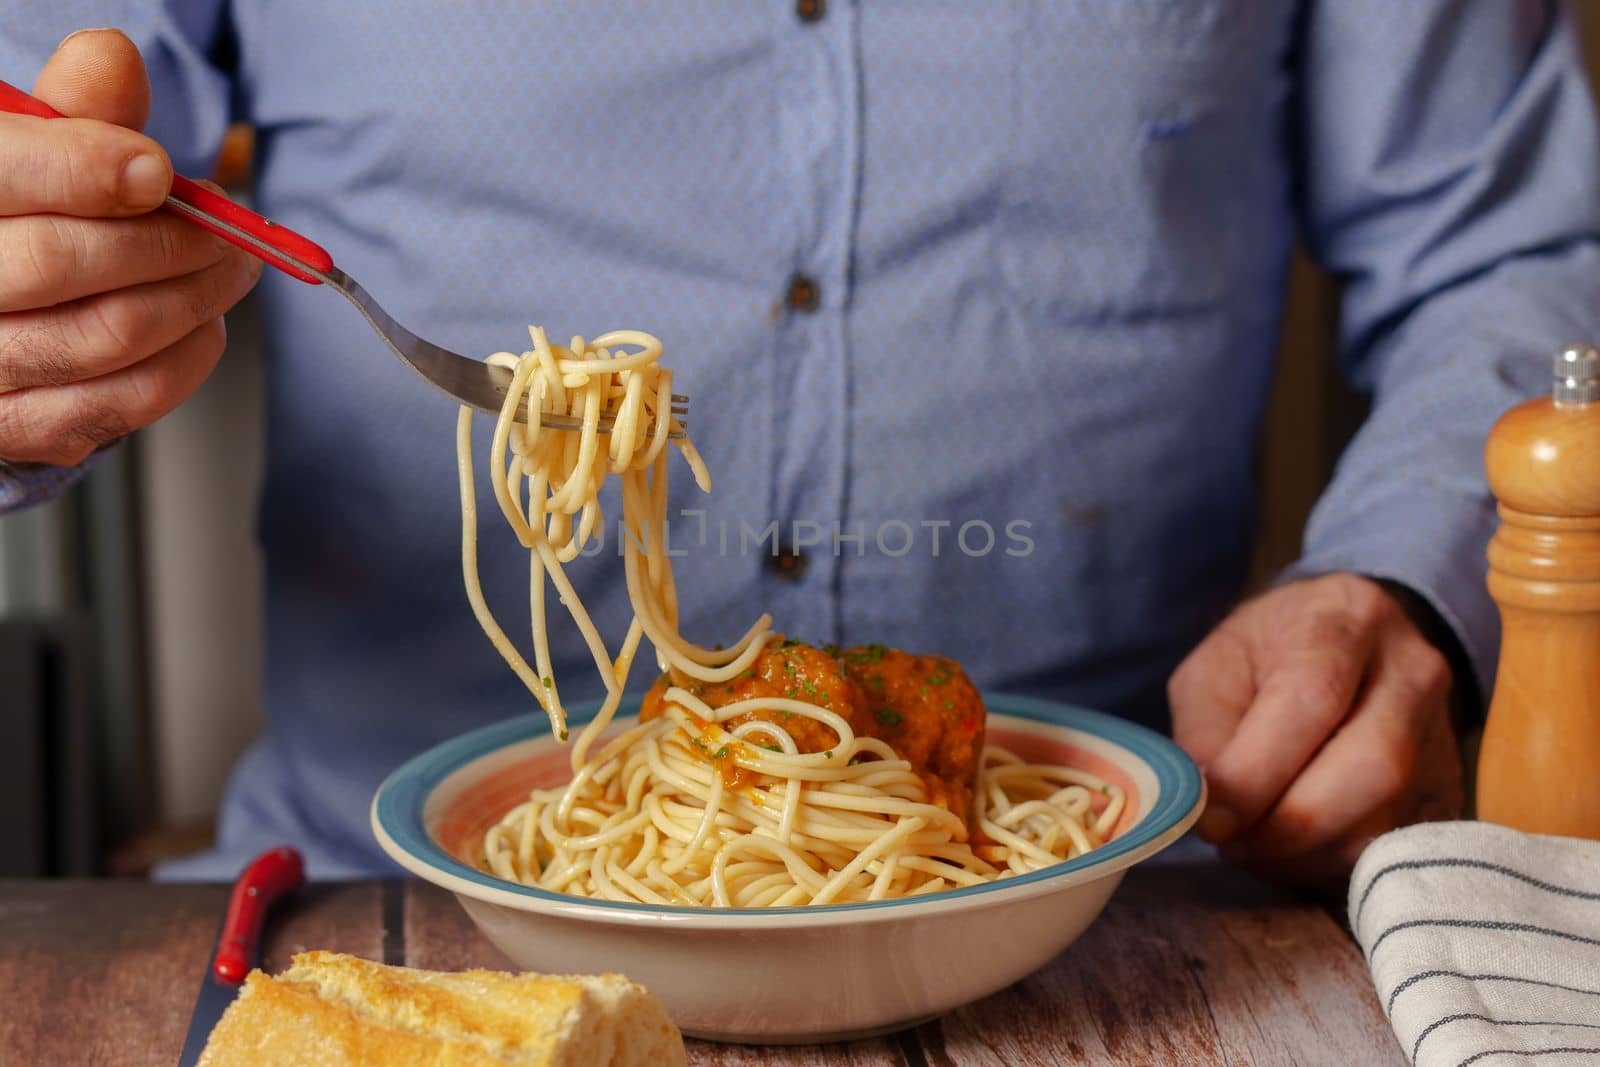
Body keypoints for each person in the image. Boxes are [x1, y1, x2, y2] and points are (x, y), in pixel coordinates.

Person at [2, 4, 1597, 886]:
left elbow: (1510, 253)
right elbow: (49, 134)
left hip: (1117, 880)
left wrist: (1402, 584)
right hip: (381, 894)